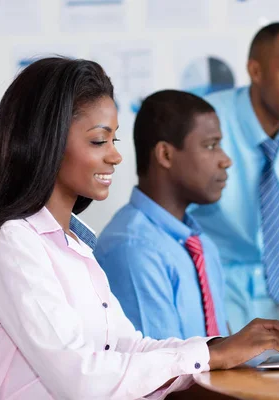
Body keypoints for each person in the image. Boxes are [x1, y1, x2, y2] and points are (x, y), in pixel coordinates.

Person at [0, 57, 279, 400]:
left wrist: (218, 347)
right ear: (49, 143)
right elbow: (81, 381)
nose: (115, 156)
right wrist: (210, 357)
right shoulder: (14, 242)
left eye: (113, 141)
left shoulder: (73, 242)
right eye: (99, 140)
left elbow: (126, 346)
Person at [190, 22, 279, 332]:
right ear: (255, 71)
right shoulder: (206, 121)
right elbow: (171, 213)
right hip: (207, 284)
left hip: (270, 289)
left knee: (267, 377)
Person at [95, 90, 231, 340]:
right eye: (211, 146)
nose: (225, 160)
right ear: (165, 155)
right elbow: (160, 373)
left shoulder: (200, 244)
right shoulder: (132, 249)